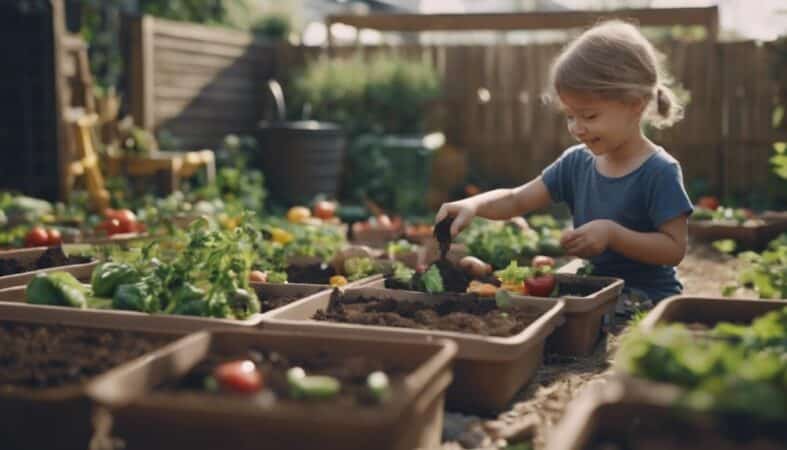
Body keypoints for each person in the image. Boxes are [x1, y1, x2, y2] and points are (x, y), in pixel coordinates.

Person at [435, 20, 693, 310]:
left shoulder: (659, 171)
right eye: (570, 116)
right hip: (594, 288)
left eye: (590, 116)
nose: (577, 128)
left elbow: (674, 249)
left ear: (636, 103)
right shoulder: (576, 163)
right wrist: (474, 205)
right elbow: (516, 199)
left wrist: (612, 234)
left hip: (647, 297)